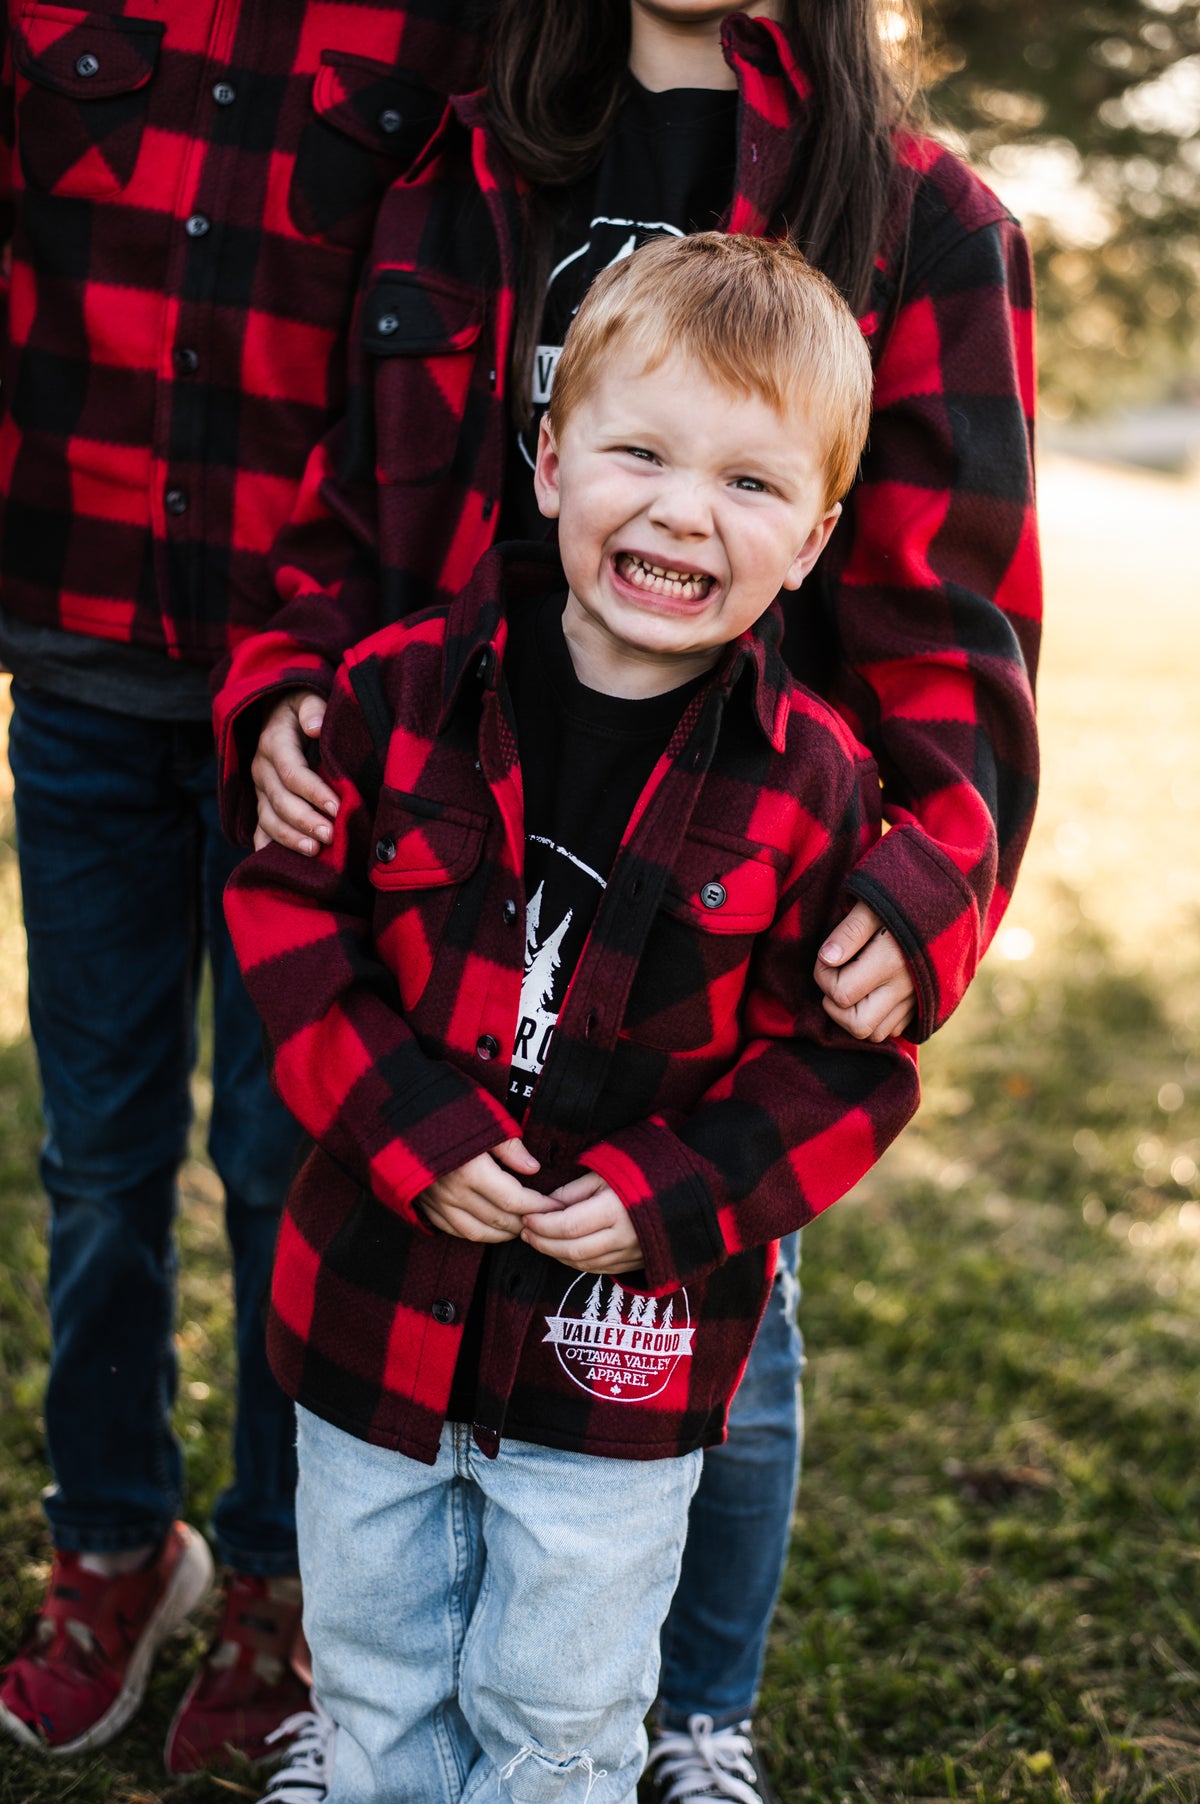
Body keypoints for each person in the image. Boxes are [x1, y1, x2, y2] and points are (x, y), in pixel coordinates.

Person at [214, 4, 1041, 1797]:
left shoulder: (922, 213)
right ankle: (365, 1709)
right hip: (454, 813)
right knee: (379, 1230)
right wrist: (291, 679)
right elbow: (356, 497)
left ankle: (678, 1718)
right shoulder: (466, 148)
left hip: (726, 898)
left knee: (714, 1329)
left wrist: (924, 882)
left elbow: (957, 607)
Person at [0, 1, 493, 1773]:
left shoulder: (451, 27)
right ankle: (117, 1547)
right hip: (76, 667)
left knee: (288, 1165)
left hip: (315, 706)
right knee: (100, 1153)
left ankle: (288, 1582)